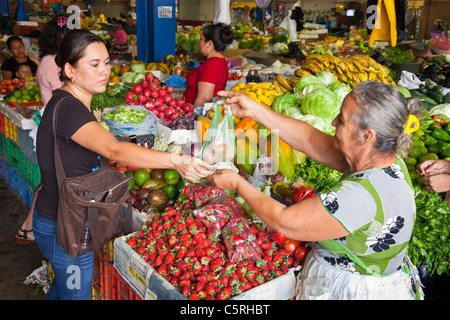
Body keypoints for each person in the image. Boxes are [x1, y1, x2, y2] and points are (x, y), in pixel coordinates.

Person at [32, 29, 213, 300]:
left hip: (63, 218)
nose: (104, 71)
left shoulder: (70, 103)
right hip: (64, 226)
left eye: (106, 62)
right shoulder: (70, 109)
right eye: (94, 64)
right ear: (69, 69)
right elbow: (115, 149)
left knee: (62, 289)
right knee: (75, 293)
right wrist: (177, 161)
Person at [209, 81, 424, 300]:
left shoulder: (360, 195)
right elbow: (309, 140)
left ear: (366, 136)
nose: (333, 122)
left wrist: (237, 183)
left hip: (353, 291)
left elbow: (286, 221)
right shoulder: (385, 160)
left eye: (341, 120)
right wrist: (254, 110)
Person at [15, 16, 69, 245]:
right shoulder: (51, 63)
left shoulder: (52, 60)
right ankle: (29, 228)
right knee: (51, 183)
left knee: (51, 182)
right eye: (65, 36)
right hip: (56, 126)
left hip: (57, 124)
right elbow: (67, 94)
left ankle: (28, 228)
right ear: (57, 38)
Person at [184, 23, 233, 108]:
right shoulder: (221, 61)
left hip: (198, 114)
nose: (199, 42)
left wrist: (194, 119)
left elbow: (204, 98)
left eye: (201, 39)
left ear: (209, 43)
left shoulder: (211, 65)